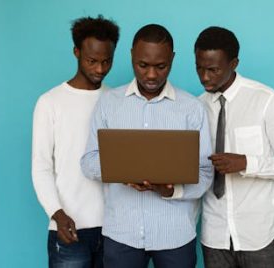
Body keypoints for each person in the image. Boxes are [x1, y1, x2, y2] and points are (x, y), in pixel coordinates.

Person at [80, 24, 213, 268]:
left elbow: (205, 174)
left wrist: (170, 190)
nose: (151, 75)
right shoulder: (109, 103)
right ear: (131, 55)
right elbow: (88, 162)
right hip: (122, 234)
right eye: (143, 65)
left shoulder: (192, 108)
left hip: (175, 235)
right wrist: (122, 170)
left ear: (172, 59)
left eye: (161, 66)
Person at [194, 26, 274, 268]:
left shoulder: (265, 100)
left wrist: (247, 163)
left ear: (234, 63)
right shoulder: (196, 107)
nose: (204, 77)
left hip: (258, 233)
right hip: (215, 233)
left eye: (213, 69)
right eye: (199, 68)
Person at [32, 15, 120, 267]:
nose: (100, 69)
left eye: (107, 61)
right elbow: (41, 167)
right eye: (92, 61)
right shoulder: (50, 102)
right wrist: (56, 213)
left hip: (114, 230)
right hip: (68, 227)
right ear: (76, 52)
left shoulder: (116, 100)